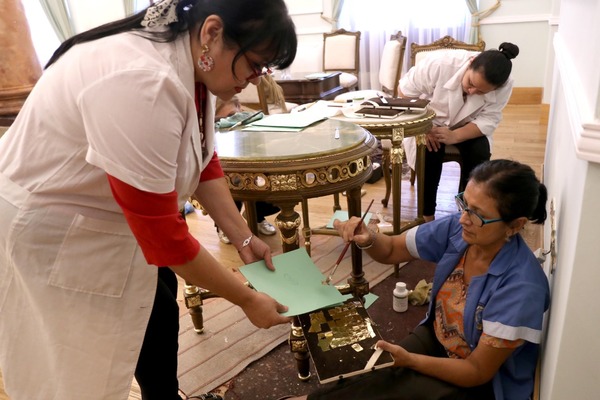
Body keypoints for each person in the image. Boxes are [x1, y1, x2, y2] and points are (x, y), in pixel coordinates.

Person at [0, 0, 297, 399]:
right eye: (255, 65)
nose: (257, 80)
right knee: (76, 371)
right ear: (212, 32)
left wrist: (244, 238)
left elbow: (201, 155)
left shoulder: (192, 63)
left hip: (115, 218)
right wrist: (246, 299)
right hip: (57, 231)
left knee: (154, 313)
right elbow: (164, 238)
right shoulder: (142, 79)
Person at [288, 159, 550, 400]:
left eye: (477, 214)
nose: (463, 218)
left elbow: (477, 371)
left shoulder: (522, 287)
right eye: (464, 204)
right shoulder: (459, 231)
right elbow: (391, 249)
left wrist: (411, 361)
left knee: (388, 389)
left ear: (515, 225)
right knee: (369, 370)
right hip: (437, 336)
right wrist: (368, 239)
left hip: (481, 384)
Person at [400, 43, 519, 222]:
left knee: (479, 152)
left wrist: (455, 135)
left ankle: (467, 213)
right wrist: (425, 127)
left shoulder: (505, 85)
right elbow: (404, 92)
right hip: (429, 120)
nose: (471, 91)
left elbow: (489, 119)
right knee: (429, 150)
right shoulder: (440, 64)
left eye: (480, 92)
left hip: (467, 125)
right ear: (471, 63)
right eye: (471, 83)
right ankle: (428, 217)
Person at [214, 96, 280, 243]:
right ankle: (224, 226)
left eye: (232, 116)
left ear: (239, 107)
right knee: (229, 190)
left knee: (271, 187)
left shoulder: (250, 122)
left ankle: (257, 217)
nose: (228, 121)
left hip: (251, 166)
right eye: (220, 119)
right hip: (224, 169)